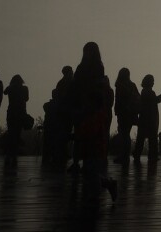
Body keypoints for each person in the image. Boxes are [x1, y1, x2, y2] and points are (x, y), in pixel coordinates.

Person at [76, 87, 117, 203]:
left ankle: (94, 197)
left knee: (92, 174)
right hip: (90, 149)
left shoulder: (97, 116)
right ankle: (108, 184)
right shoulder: (94, 115)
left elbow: (91, 132)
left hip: (95, 149)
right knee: (90, 173)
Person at [68, 43, 105, 173]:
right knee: (81, 135)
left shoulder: (93, 67)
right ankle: (78, 161)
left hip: (90, 105)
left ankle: (85, 161)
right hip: (83, 104)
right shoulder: (94, 67)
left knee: (87, 135)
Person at [133, 75, 161, 165]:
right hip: (150, 118)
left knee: (141, 138)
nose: (153, 82)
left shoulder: (144, 91)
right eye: (152, 81)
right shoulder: (149, 92)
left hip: (144, 118)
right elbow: (157, 100)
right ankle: (152, 156)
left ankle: (137, 154)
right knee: (152, 138)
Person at [113, 68, 140, 165]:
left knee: (123, 134)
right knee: (126, 134)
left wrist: (117, 111)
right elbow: (138, 97)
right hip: (131, 113)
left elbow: (118, 100)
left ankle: (123, 155)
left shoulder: (119, 85)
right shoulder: (132, 85)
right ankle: (125, 155)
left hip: (123, 112)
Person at [4, 74, 29, 166]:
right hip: (21, 112)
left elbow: (4, 92)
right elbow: (26, 98)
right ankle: (14, 154)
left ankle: (8, 154)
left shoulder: (10, 88)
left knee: (11, 133)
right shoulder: (24, 88)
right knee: (17, 133)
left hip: (11, 112)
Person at [53, 66, 74, 165]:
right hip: (67, 111)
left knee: (63, 133)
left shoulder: (60, 83)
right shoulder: (70, 83)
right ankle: (63, 152)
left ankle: (61, 153)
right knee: (65, 133)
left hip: (62, 111)